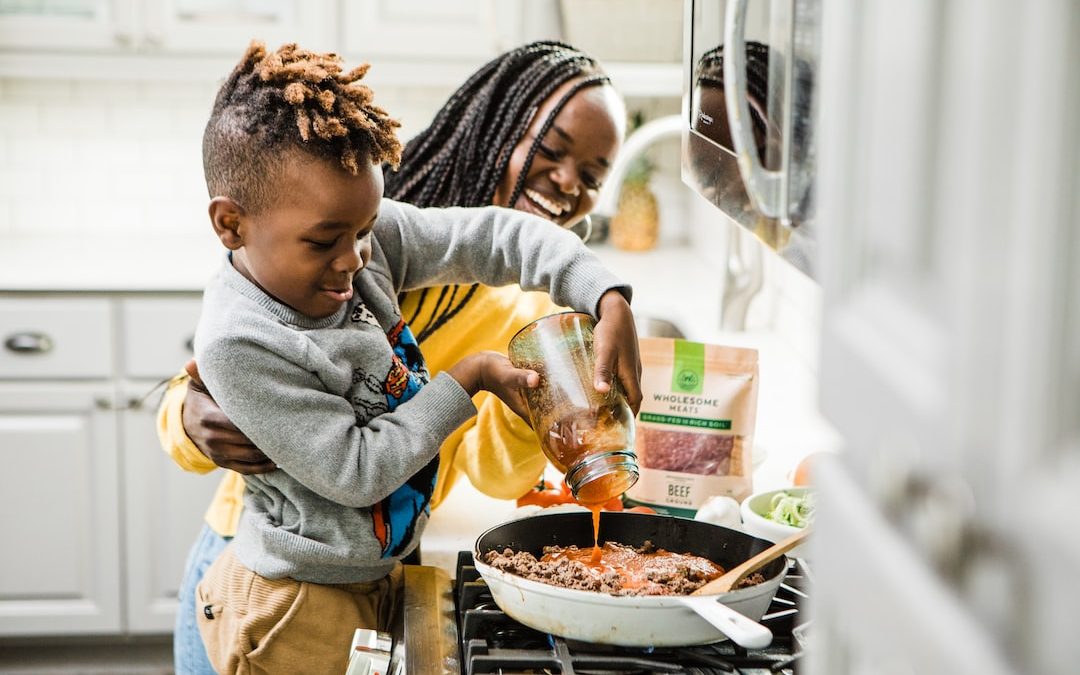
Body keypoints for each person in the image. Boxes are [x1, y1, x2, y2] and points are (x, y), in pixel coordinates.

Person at [160, 40, 627, 674]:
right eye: (550, 150)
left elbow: (491, 236)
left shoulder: (353, 228)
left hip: (376, 567)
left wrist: (602, 292)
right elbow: (356, 472)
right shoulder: (252, 320)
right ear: (230, 225)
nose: (358, 258)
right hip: (292, 597)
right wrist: (472, 378)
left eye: (595, 174)